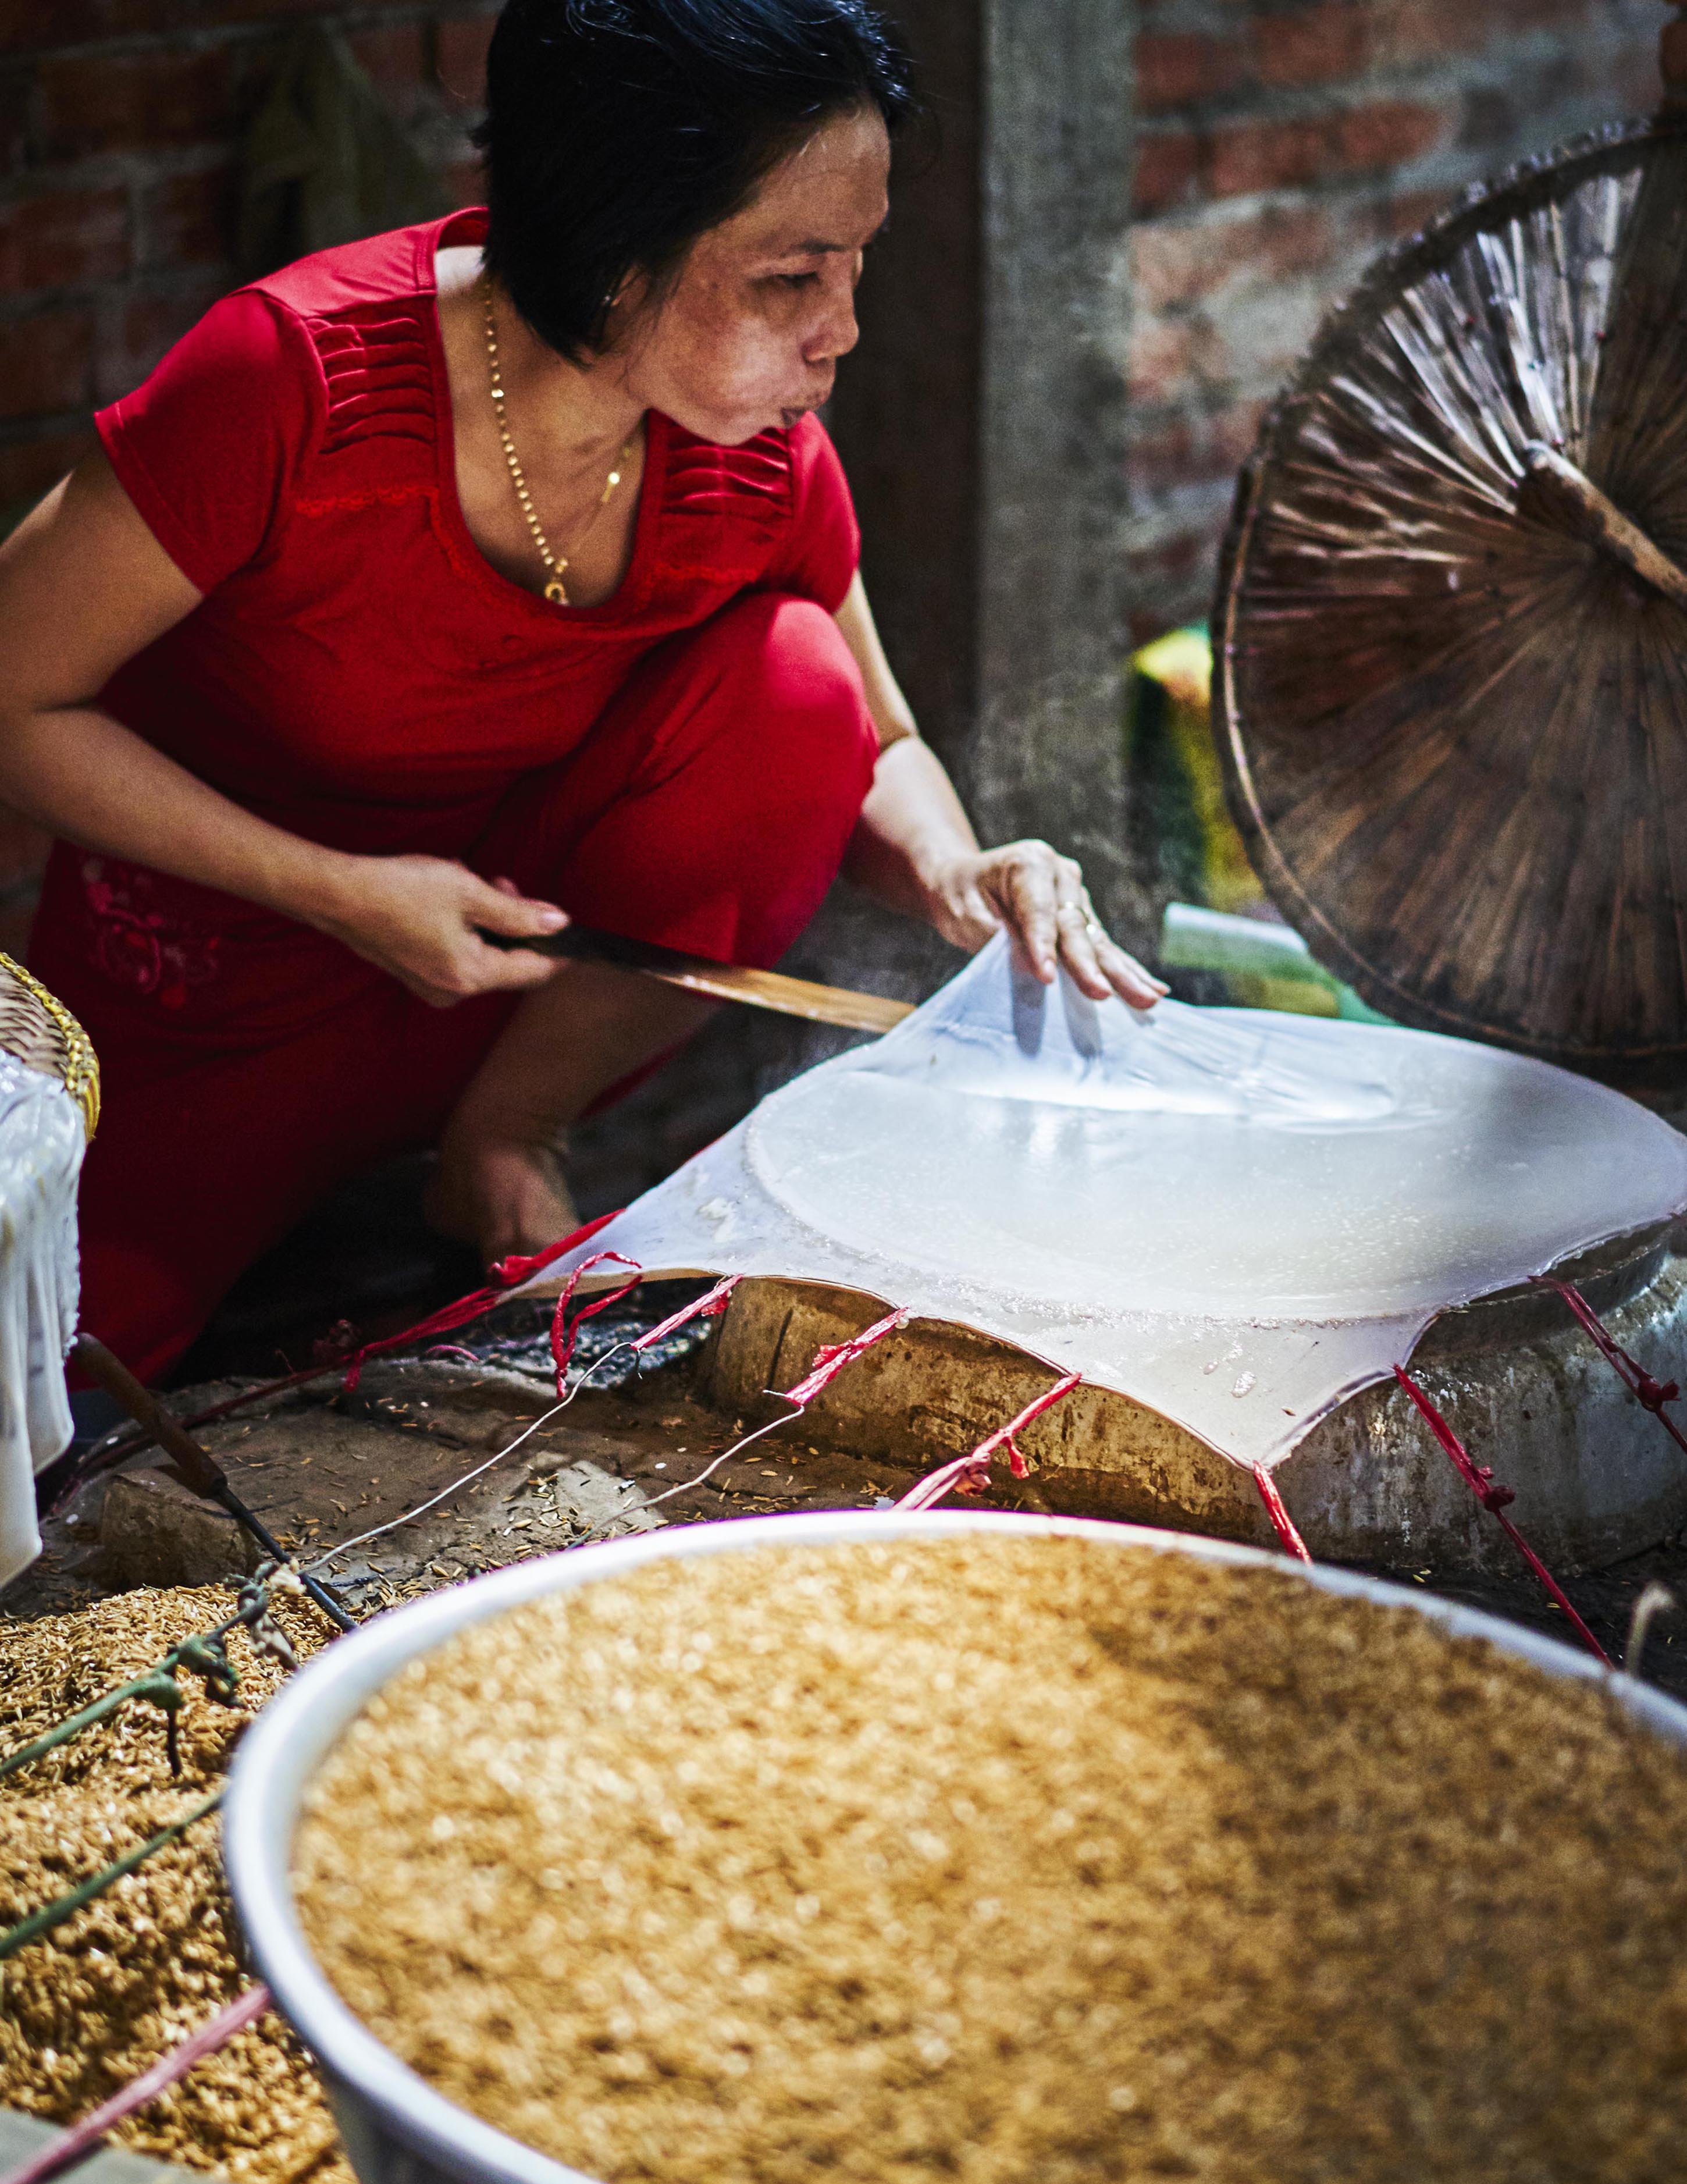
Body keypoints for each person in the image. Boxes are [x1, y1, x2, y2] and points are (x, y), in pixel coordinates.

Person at [0, 0, 1165, 1384]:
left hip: (525, 982)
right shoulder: (292, 383)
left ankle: (506, 1140)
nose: (842, 331)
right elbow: (15, 698)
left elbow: (871, 734)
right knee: (53, 1391)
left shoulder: (754, 448)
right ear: (615, 255)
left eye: (855, 267)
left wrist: (964, 870)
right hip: (220, 998)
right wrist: (337, 892)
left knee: (791, 680)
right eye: (792, 279)